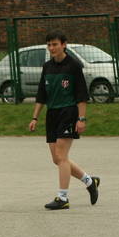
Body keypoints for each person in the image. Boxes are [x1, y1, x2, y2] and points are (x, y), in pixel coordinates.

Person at [29, 32, 99, 210]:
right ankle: (89, 181)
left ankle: (62, 198)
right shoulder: (47, 67)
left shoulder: (74, 66)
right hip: (52, 114)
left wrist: (81, 118)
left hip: (68, 112)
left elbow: (81, 95)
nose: (51, 48)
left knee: (61, 156)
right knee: (57, 159)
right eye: (49, 45)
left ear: (64, 45)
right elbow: (41, 95)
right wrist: (35, 117)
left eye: (55, 44)